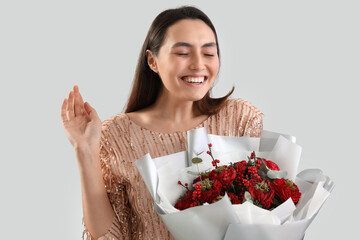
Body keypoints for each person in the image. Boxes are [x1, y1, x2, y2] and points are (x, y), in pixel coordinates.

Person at [61, 6, 263, 240]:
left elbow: (263, 213)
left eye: (209, 53)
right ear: (152, 61)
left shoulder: (239, 118)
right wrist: (84, 149)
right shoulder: (117, 135)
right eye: (183, 53)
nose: (199, 64)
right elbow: (112, 236)